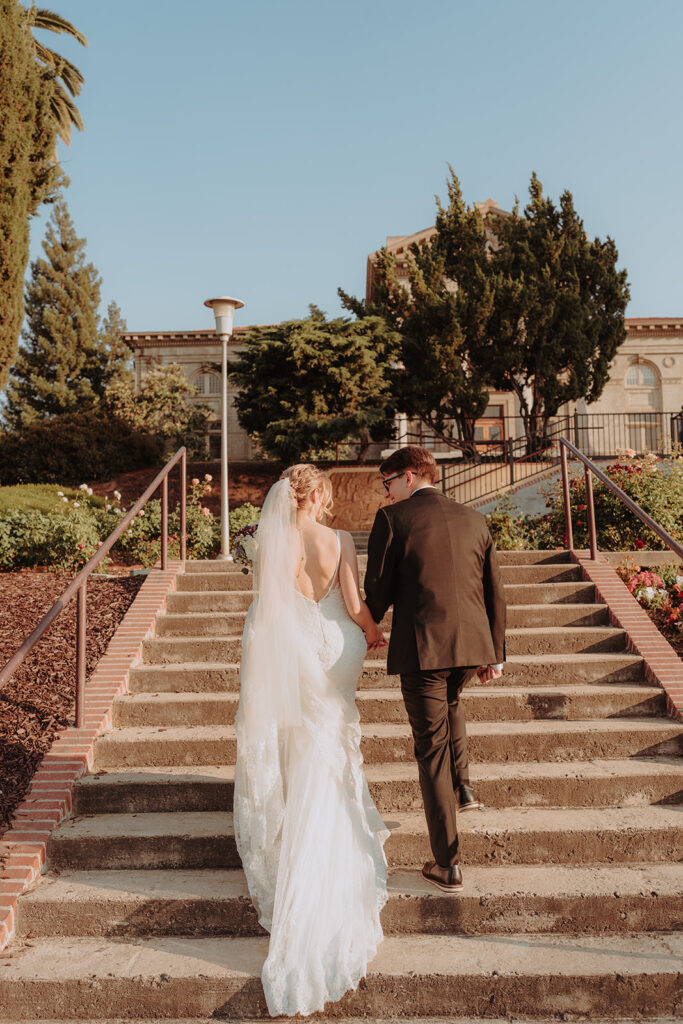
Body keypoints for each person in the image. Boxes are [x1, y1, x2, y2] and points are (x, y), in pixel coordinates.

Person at [234, 464, 389, 1017]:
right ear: (317, 494)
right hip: (339, 644)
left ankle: (299, 847)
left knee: (301, 748)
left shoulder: (269, 540)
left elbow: (268, 610)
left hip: (293, 647)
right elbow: (351, 602)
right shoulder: (339, 538)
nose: (328, 501)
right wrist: (372, 634)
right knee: (333, 741)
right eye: (325, 493)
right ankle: (330, 841)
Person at [364, 445, 506, 895]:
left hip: (424, 649)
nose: (386, 493)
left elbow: (378, 592)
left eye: (387, 483)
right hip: (471, 646)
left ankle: (448, 864)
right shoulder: (475, 519)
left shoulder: (394, 521)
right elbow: (493, 591)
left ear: (408, 476)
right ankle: (463, 788)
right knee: (452, 702)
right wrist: (495, 652)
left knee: (431, 751)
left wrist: (358, 621)